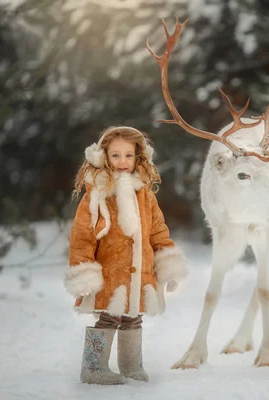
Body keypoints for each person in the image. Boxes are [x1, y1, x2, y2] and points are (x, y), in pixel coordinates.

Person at [65, 126, 188, 384]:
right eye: (116, 155)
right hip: (110, 271)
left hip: (139, 272)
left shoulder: (145, 194)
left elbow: (158, 231)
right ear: (104, 157)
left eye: (128, 156)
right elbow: (82, 237)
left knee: (133, 318)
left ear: (138, 157)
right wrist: (84, 271)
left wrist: (167, 261)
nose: (123, 162)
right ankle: (93, 367)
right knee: (109, 317)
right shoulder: (96, 195)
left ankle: (131, 366)